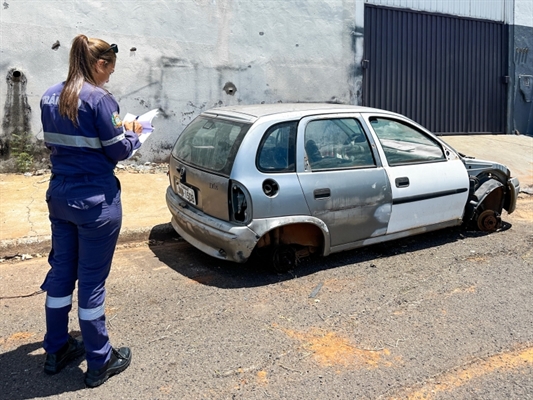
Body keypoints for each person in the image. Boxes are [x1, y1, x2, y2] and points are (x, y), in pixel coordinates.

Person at [40, 34, 142, 388]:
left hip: (61, 196)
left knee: (61, 273)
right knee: (92, 282)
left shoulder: (49, 95)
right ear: (100, 64)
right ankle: (100, 360)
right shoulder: (100, 99)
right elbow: (117, 152)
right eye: (110, 68)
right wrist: (134, 133)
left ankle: (55, 350)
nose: (111, 76)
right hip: (95, 202)